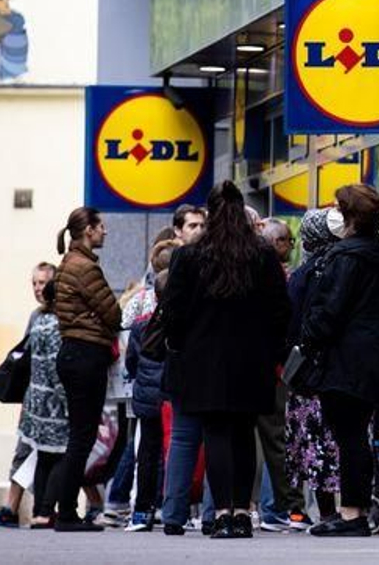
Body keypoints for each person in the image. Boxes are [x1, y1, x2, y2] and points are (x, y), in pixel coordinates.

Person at [163, 181, 291, 540]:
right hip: (253, 359)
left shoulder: (189, 256)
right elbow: (280, 310)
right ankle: (241, 512)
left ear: (210, 214)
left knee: (216, 433)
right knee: (244, 433)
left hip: (203, 359)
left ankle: (221, 514)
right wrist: (272, 348)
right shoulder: (262, 255)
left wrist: (180, 343)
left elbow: (172, 311)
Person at [298, 183, 379, 537]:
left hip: (344, 359)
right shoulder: (375, 253)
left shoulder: (344, 258)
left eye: (339, 207)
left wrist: (307, 340)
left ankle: (352, 514)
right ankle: (354, 508)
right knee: (356, 434)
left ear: (350, 215)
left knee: (349, 436)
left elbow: (329, 311)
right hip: (372, 358)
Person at [46, 207, 120, 532]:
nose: (105, 231)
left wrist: (92, 317)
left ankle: (64, 510)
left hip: (72, 354)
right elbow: (113, 314)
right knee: (81, 438)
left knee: (78, 436)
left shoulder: (67, 264)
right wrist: (97, 319)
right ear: (88, 230)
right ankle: (65, 513)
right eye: (101, 226)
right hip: (86, 355)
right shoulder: (85, 267)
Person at [0, 262, 58, 529]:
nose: (38, 288)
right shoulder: (35, 315)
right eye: (34, 283)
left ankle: (35, 508)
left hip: (46, 396)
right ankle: (13, 508)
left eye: (43, 283)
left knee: (49, 453)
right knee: (26, 451)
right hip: (33, 395)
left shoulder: (51, 317)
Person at [285, 208, 343, 525]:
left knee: (316, 444)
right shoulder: (346, 267)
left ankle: (328, 512)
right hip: (343, 370)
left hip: (310, 374)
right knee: (339, 441)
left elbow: (291, 323)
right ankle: (349, 508)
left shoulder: (305, 274)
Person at [159, 204, 209, 536]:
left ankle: (174, 514)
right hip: (208, 361)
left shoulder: (180, 261)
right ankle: (211, 513)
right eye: (193, 225)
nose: (199, 230)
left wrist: (175, 344)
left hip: (183, 359)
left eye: (202, 224)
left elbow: (171, 310)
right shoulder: (216, 261)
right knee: (214, 439)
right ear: (178, 230)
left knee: (182, 439)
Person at [256, 218, 307, 532]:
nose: (291, 245)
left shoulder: (250, 273)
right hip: (272, 368)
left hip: (253, 366)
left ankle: (248, 508)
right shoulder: (277, 277)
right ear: (275, 243)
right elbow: (281, 322)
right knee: (275, 438)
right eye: (287, 240)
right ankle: (287, 508)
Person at [19, 278, 68, 529]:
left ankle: (40, 510)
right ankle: (47, 511)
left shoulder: (39, 321)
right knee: (60, 456)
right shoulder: (56, 326)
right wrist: (65, 399)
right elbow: (54, 364)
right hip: (52, 403)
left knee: (44, 457)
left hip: (35, 397)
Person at [122, 270, 169, 532]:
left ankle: (142, 510)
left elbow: (131, 361)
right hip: (169, 396)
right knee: (170, 451)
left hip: (146, 396)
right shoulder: (180, 324)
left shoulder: (141, 325)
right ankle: (170, 506)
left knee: (147, 453)